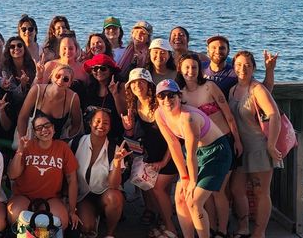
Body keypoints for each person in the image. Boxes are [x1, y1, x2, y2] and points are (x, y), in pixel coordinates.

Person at [155, 79, 233, 238]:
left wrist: (192, 181)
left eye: (171, 95)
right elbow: (173, 144)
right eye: (161, 96)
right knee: (181, 198)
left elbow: (189, 154)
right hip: (198, 153)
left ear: (179, 96)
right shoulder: (160, 114)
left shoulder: (188, 118)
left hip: (216, 153)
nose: (167, 100)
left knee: (194, 202)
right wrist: (184, 177)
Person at [177, 52, 242, 238]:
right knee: (205, 194)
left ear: (200, 70)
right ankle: (210, 228)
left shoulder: (210, 87)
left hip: (223, 143)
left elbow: (228, 115)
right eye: (187, 67)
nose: (190, 71)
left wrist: (237, 140)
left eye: (194, 67)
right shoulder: (180, 95)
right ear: (181, 70)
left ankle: (222, 230)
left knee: (219, 190)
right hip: (199, 149)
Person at [228, 51, 282, 238]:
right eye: (239, 65)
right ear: (233, 66)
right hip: (240, 149)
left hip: (259, 147)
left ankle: (259, 232)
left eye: (247, 65)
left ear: (253, 68)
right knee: (236, 189)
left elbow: (274, 114)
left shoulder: (256, 89)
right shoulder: (232, 90)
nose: (243, 69)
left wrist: (271, 145)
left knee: (261, 192)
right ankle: (243, 227)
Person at [121, 68, 178, 238]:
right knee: (153, 189)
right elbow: (132, 139)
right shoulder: (132, 106)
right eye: (134, 83)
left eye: (141, 82)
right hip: (147, 158)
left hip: (169, 156)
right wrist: (129, 129)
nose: (138, 86)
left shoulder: (161, 104)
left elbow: (174, 139)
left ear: (149, 85)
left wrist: (164, 162)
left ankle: (171, 229)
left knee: (159, 189)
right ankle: (161, 221)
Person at [7, 113, 80, 230]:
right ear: (35, 133)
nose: (44, 130)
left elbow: (72, 180)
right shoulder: (27, 146)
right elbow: (12, 174)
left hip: (50, 198)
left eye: (47, 125)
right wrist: (20, 150)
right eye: (39, 128)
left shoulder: (62, 148)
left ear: (54, 128)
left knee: (61, 222)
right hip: (24, 196)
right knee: (16, 216)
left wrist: (72, 211)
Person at [70, 109, 131, 238]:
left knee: (114, 197)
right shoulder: (76, 143)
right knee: (86, 227)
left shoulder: (114, 149)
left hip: (105, 194)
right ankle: (95, 217)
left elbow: (114, 185)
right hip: (83, 195)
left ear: (110, 127)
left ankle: (110, 233)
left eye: (106, 123)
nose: (101, 126)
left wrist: (116, 162)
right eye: (97, 121)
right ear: (90, 123)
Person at [17, 64, 83, 141]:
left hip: (55, 145)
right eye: (58, 76)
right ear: (51, 76)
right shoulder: (37, 90)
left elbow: (76, 125)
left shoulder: (73, 98)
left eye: (65, 79)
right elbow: (22, 117)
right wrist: (23, 141)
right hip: (33, 141)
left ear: (70, 83)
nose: (60, 80)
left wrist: (64, 142)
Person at [201, 36, 277, 99]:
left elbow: (265, 91)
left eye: (222, 48)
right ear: (208, 50)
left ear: (228, 51)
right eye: (213, 48)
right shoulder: (200, 67)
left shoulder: (236, 73)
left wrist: (269, 69)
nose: (217, 51)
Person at [79, 53, 126, 139]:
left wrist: (115, 95)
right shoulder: (90, 89)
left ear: (111, 70)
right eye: (95, 68)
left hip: (113, 136)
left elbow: (124, 115)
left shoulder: (120, 86)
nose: (99, 71)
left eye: (103, 68)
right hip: (91, 136)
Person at [1, 36, 37, 107]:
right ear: (8, 50)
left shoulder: (32, 64)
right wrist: (22, 85)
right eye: (12, 46)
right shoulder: (6, 68)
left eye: (19, 45)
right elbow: (14, 96)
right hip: (14, 104)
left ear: (24, 48)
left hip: (33, 101)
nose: (16, 48)